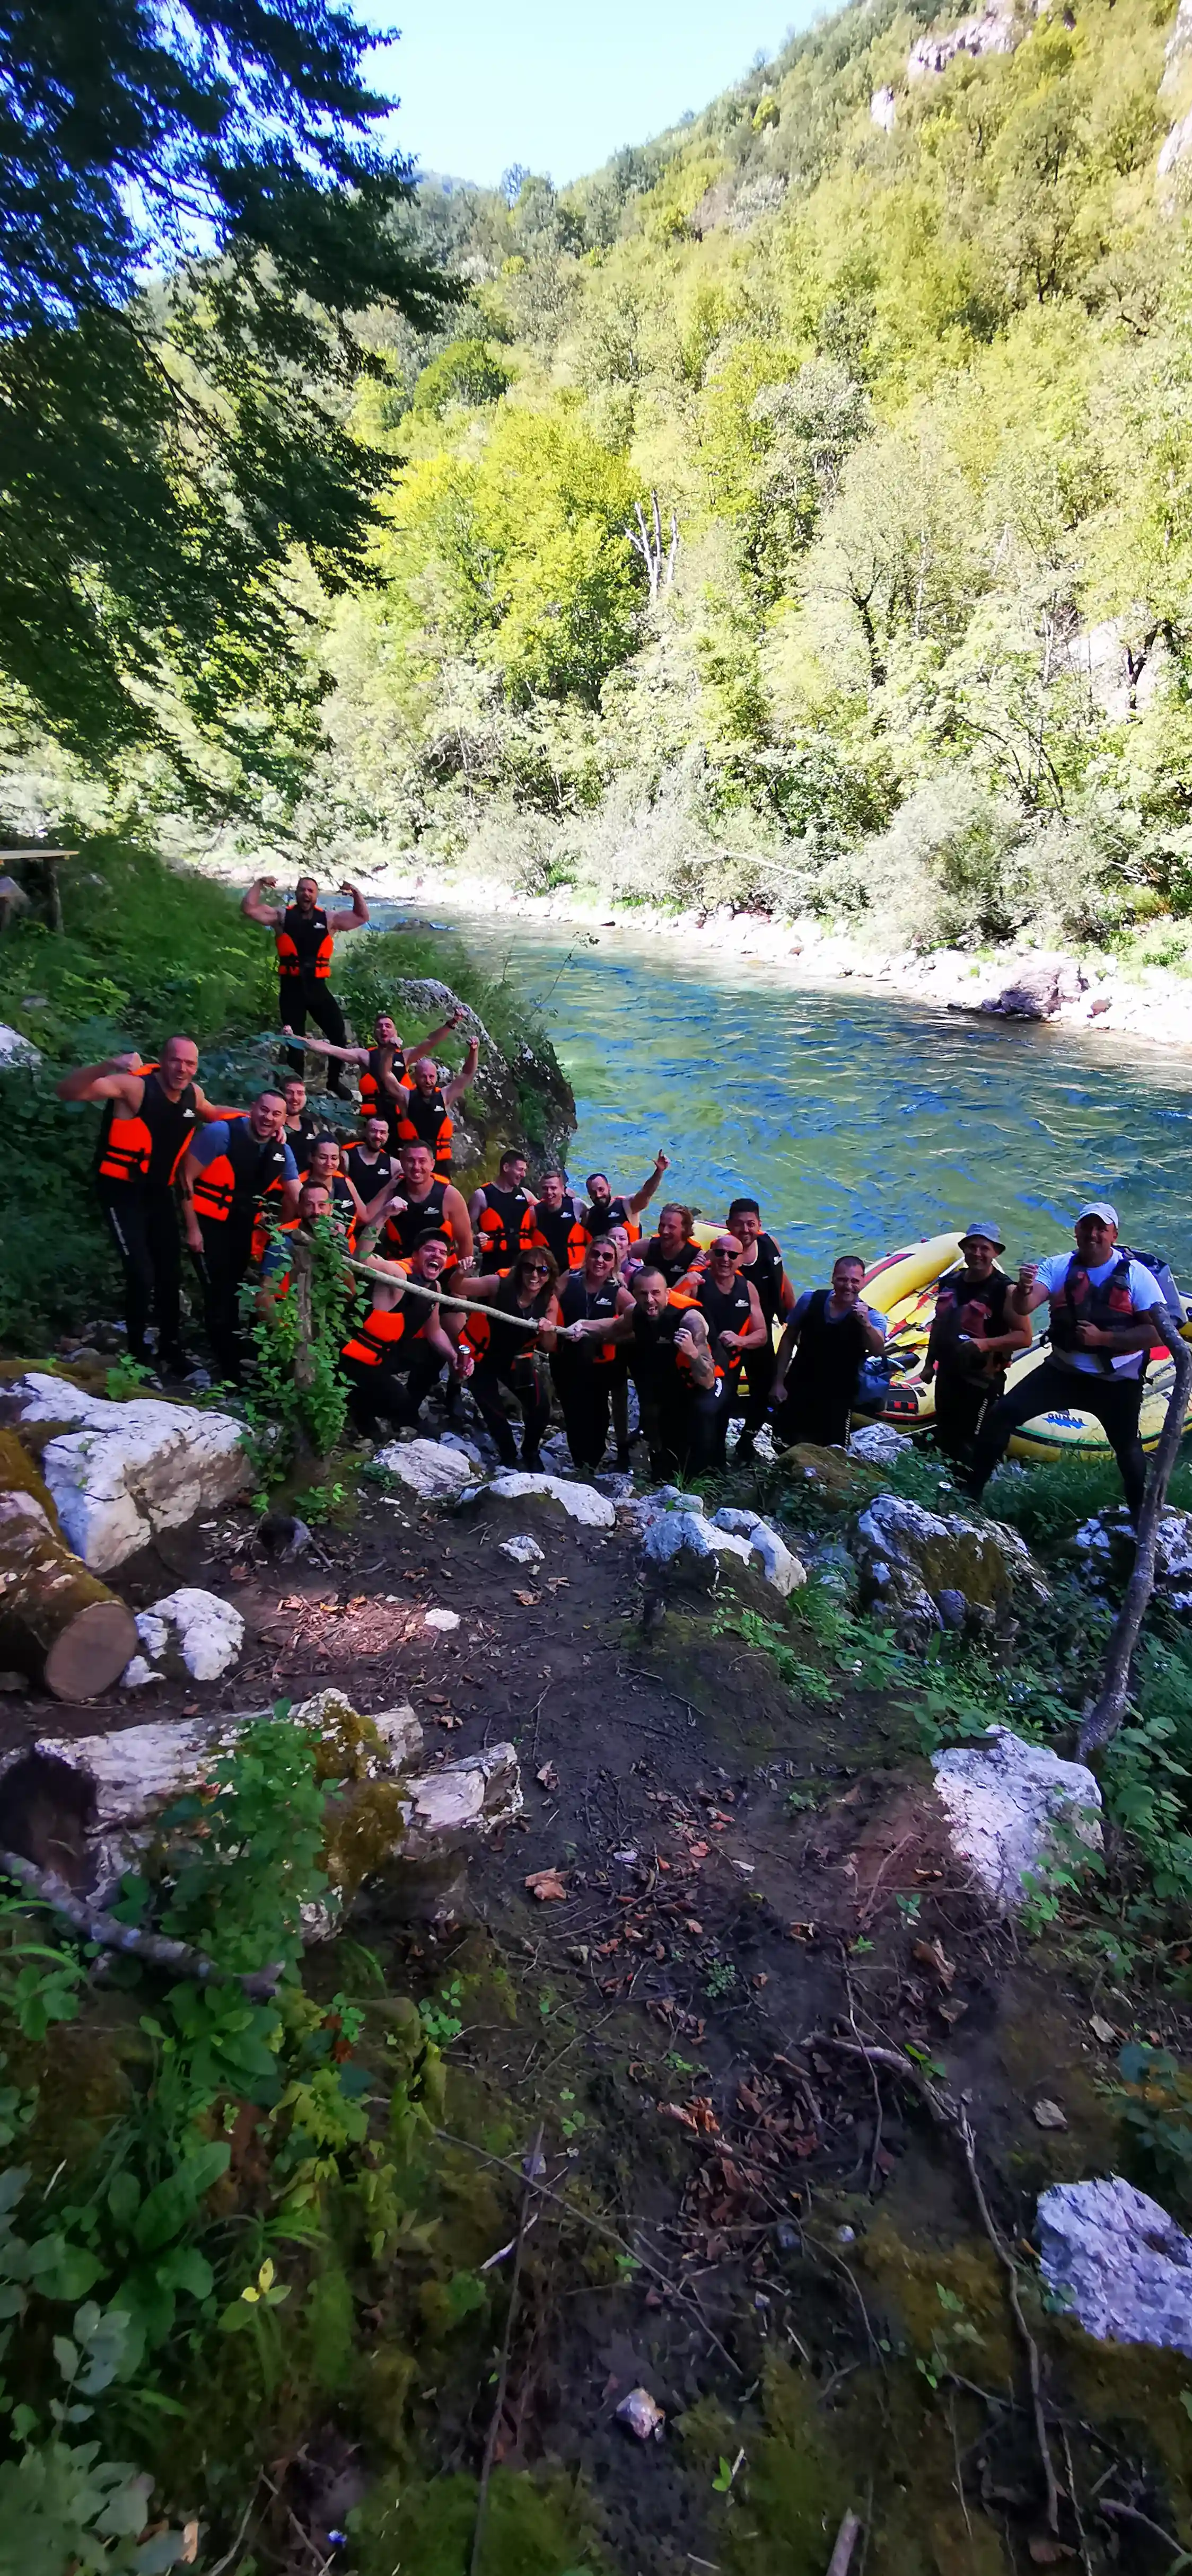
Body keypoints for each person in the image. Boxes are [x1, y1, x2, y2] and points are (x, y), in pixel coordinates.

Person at [962, 1203, 1168, 1518]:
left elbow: (1157, 1333)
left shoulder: (1137, 1276)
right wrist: (1024, 1289)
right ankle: (972, 1494)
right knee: (1002, 1415)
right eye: (1087, 1226)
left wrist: (1105, 1339)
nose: (1093, 1234)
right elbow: (1024, 1307)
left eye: (1102, 1228)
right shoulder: (1058, 1267)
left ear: (1114, 1234)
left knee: (1127, 1447)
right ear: (1076, 1232)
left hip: (1115, 1380)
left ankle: (1140, 1516)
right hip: (1063, 1371)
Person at [57, 1037, 230, 1376]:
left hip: (158, 1193)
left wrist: (264, 1121)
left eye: (190, 1064)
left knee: (170, 1274)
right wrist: (109, 1064)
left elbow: (214, 1114)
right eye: (176, 1061)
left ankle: (171, 1347)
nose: (182, 1069)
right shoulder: (133, 1087)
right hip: (121, 1191)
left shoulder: (192, 1096)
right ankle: (136, 1350)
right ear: (163, 1061)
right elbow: (68, 1091)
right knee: (141, 1272)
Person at [182, 1089, 299, 1382]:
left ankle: (230, 1352)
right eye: (264, 1110)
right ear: (252, 1108)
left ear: (284, 1120)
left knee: (233, 1289)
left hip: (240, 1226)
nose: (268, 1118)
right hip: (207, 1222)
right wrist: (192, 1228)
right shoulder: (221, 1133)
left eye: (276, 1114)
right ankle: (227, 1370)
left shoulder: (281, 1149)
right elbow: (184, 1178)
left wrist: (324, 1226)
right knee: (217, 1292)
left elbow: (299, 1195)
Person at [242, 871, 369, 1093]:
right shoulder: (282, 917)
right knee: (295, 1042)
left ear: (317, 895)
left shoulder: (329, 919)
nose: (306, 894)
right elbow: (249, 909)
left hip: (317, 988)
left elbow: (361, 917)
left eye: (311, 890)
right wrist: (259, 884)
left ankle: (333, 1082)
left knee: (339, 1034)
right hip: (292, 989)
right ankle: (295, 1090)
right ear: (296, 893)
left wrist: (356, 893)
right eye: (302, 890)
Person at [340, 1232, 471, 1437]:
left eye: (443, 1253)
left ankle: (405, 1407)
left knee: (436, 1354)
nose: (437, 1255)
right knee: (398, 1404)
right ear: (416, 1255)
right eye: (430, 1250)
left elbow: (435, 1332)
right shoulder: (398, 1274)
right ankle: (363, 1407)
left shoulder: (435, 1288)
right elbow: (361, 1257)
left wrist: (455, 1358)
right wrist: (385, 1214)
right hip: (355, 1357)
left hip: (386, 1355)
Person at [923, 1222, 1031, 1467]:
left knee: (973, 1442)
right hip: (949, 1374)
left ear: (996, 1253)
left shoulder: (1006, 1290)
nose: (977, 1253)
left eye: (985, 1248)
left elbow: (1024, 1336)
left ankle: (972, 1494)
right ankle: (945, 1486)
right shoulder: (951, 1282)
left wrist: (985, 1344)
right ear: (964, 1249)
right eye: (972, 1247)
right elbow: (939, 1326)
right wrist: (930, 1365)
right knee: (947, 1434)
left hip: (983, 1382)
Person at [606, 1266, 724, 1480]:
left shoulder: (690, 1321)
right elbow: (612, 1329)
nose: (650, 1300)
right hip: (673, 1374)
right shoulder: (635, 1312)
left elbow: (708, 1380)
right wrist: (581, 1328)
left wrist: (692, 1352)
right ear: (634, 1295)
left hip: (707, 1376)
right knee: (657, 1416)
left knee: (701, 1414)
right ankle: (663, 1469)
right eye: (643, 1294)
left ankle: (702, 1478)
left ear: (668, 1293)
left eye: (656, 1293)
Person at [286, 1004, 466, 1137]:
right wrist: (295, 1037)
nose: (384, 1029)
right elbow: (328, 1049)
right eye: (380, 1027)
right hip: (374, 1121)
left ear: (395, 1032)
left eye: (388, 1026)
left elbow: (431, 1041)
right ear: (375, 1034)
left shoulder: (405, 1057)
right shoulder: (364, 1056)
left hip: (402, 1118)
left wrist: (452, 1023)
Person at [770, 1255, 887, 1451]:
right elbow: (789, 1338)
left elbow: (878, 1350)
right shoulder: (810, 1300)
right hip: (799, 1386)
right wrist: (778, 1382)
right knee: (783, 1443)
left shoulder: (873, 1317)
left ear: (863, 1282)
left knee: (831, 1452)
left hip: (838, 1397)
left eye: (855, 1281)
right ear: (833, 1278)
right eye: (842, 1279)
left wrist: (865, 1324)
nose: (848, 1286)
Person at [462, 1245, 559, 1467]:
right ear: (520, 1269)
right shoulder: (499, 1284)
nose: (535, 1275)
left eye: (542, 1271)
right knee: (494, 1412)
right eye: (529, 1268)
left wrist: (548, 1329)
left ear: (550, 1274)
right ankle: (508, 1455)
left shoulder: (549, 1302)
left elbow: (550, 1346)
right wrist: (461, 1272)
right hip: (483, 1358)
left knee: (541, 1408)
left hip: (515, 1360)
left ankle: (530, 1451)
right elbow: (460, 1286)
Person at [548, 1236, 635, 1473]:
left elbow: (636, 1323)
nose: (600, 1260)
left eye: (607, 1257)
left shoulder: (618, 1292)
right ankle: (580, 1462)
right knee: (572, 1411)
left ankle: (594, 1459)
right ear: (587, 1256)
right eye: (595, 1254)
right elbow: (548, 1298)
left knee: (598, 1414)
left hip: (599, 1364)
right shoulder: (570, 1278)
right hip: (565, 1358)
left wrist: (608, 1335)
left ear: (614, 1263)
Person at [725, 1199, 795, 1459]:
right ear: (729, 1226)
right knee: (725, 1393)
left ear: (759, 1225)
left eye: (751, 1224)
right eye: (739, 1225)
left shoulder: (770, 1245)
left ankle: (746, 1441)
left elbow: (782, 1280)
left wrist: (792, 1315)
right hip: (730, 1336)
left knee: (765, 1391)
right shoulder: (724, 1255)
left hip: (761, 1333)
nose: (745, 1230)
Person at [691, 1233, 768, 1463]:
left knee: (721, 1419)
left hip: (730, 1369)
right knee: (696, 1418)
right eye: (720, 1253)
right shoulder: (698, 1283)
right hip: (697, 1366)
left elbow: (762, 1335)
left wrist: (740, 1340)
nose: (726, 1259)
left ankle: (716, 1467)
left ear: (741, 1260)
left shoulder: (748, 1289)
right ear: (711, 1255)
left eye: (732, 1255)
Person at [381, 1140, 472, 1271]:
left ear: (432, 1164)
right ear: (402, 1162)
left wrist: (460, 1278)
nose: (416, 1167)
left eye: (422, 1161)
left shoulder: (450, 1196)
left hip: (439, 1270)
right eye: (411, 1161)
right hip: (399, 1268)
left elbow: (465, 1241)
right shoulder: (392, 1190)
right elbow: (367, 1218)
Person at [395, 1042, 479, 1177]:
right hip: (413, 1161)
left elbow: (467, 1074)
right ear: (415, 1077)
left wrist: (474, 1051)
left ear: (436, 1077)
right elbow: (386, 1075)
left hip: (439, 1161)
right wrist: (389, 1051)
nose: (428, 1080)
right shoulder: (405, 1096)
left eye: (431, 1077)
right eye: (423, 1076)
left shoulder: (445, 1096)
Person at [582, 1153, 670, 1245]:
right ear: (589, 1194)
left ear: (609, 1188)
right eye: (593, 1192)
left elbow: (646, 1192)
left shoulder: (628, 1206)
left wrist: (659, 1172)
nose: (598, 1195)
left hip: (629, 1258)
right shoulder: (589, 1215)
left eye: (601, 1190)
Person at [471, 1150, 536, 1272]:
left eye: (525, 1171)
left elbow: (548, 1209)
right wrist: (475, 1238)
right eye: (520, 1170)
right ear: (506, 1167)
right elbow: (463, 1229)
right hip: (492, 1266)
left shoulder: (526, 1195)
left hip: (521, 1268)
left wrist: (564, 1195)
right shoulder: (482, 1195)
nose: (523, 1175)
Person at [530, 1168, 591, 1273]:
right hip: (547, 1271)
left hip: (575, 1270)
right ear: (540, 1190)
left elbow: (592, 1215)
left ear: (562, 1189)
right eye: (545, 1188)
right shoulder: (534, 1212)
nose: (549, 1192)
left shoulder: (577, 1205)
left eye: (554, 1188)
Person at [639, 1203, 703, 1290]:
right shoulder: (647, 1246)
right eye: (662, 1225)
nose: (665, 1231)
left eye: (671, 1227)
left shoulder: (696, 1255)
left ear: (684, 1228)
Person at [345, 1114, 398, 1205]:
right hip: (350, 1214)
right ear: (365, 1132)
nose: (378, 1136)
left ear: (388, 1136)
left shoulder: (394, 1164)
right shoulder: (346, 1157)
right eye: (374, 1131)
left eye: (383, 1132)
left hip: (379, 1216)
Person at [279, 1075, 320, 1158]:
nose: (295, 1098)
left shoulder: (311, 1126)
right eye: (289, 1093)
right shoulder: (274, 1125)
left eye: (300, 1093)